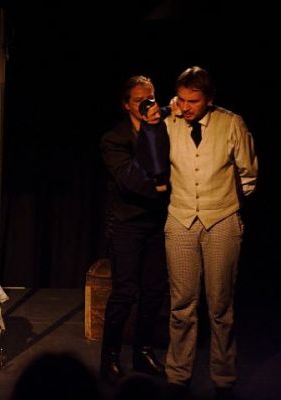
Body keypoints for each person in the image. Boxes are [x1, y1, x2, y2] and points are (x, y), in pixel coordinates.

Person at [163, 66, 258, 398]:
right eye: (182, 99)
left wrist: (225, 205)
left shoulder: (231, 123)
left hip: (222, 220)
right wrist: (167, 112)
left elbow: (248, 173)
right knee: (182, 305)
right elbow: (150, 154)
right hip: (181, 220)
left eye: (194, 101)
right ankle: (177, 376)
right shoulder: (169, 123)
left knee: (220, 306)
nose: (186, 107)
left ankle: (223, 378)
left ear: (209, 99)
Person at [99, 75, 170, 384]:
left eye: (150, 98)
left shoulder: (164, 128)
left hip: (157, 221)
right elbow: (130, 179)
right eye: (139, 100)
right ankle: (110, 358)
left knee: (154, 291)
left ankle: (143, 351)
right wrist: (163, 186)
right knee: (125, 292)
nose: (147, 104)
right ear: (126, 104)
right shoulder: (114, 139)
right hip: (127, 223)